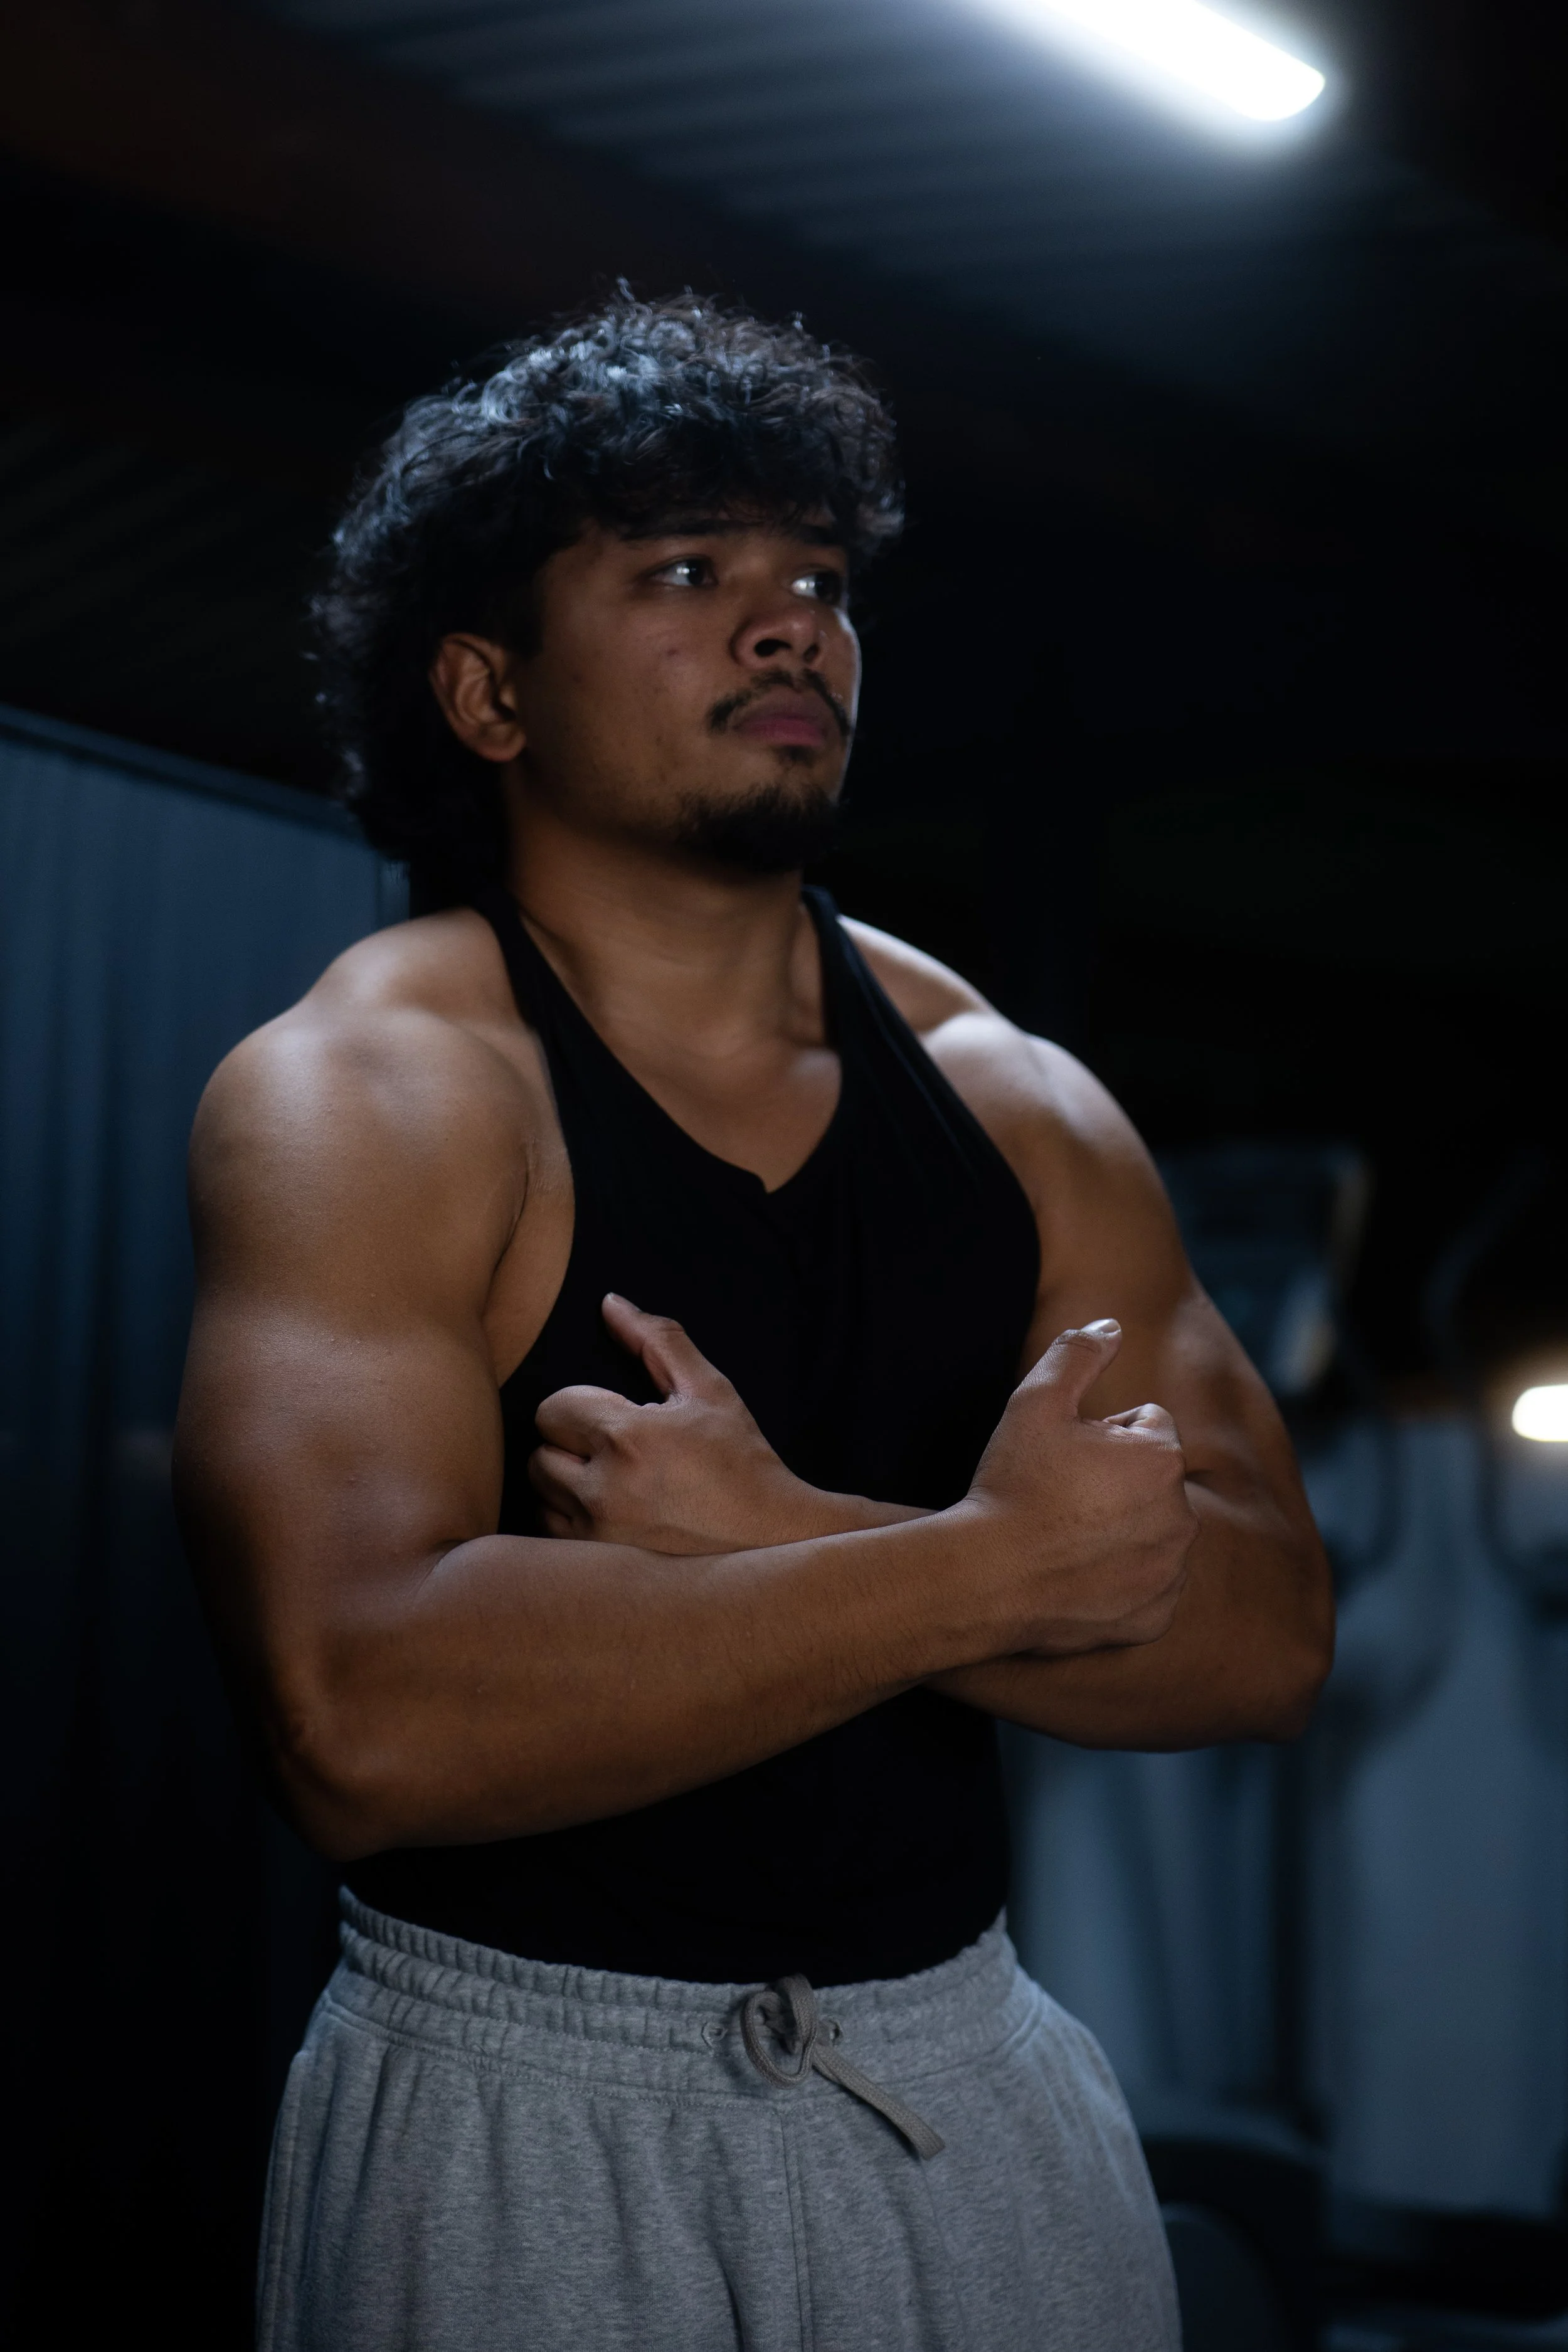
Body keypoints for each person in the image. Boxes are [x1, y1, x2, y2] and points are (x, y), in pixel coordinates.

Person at [174, 295, 1332, 2352]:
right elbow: (359, 1717)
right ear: (490, 691)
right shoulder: (375, 1089)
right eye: (687, 575)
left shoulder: (1010, 1095)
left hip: (961, 2070)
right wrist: (992, 1568)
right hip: (522, 2099)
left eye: (815, 580)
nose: (787, 626)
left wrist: (783, 1526)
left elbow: (1262, 1637)